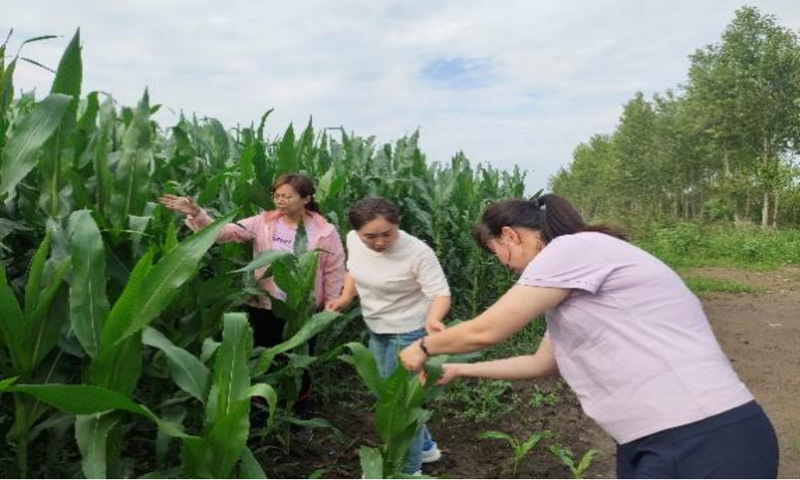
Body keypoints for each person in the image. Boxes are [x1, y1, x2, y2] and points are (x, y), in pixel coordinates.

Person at [399, 194, 779, 479]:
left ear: (510, 236)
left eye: (496, 251)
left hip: (700, 437)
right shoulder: (575, 274)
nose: (503, 265)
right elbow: (541, 362)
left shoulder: (571, 249)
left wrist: (424, 346)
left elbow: (487, 330)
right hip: (660, 439)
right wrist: (459, 370)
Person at [159, 173, 346, 408]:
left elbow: (334, 269)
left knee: (300, 360)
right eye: (276, 195)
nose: (279, 200)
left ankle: (296, 408)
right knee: (262, 358)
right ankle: (260, 408)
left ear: (306, 199)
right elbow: (223, 233)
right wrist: (196, 213)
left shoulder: (325, 232)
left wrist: (330, 304)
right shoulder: (263, 222)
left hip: (303, 310)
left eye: (287, 196)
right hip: (265, 305)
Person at [325, 197, 451, 476]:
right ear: (357, 232)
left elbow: (440, 293)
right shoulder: (354, 240)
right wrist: (346, 297)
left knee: (401, 405)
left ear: (398, 223)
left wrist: (433, 319)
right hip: (377, 328)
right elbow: (354, 269)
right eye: (370, 237)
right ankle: (426, 447)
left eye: (387, 234)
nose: (380, 242)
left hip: (410, 331)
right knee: (389, 395)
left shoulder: (418, 252)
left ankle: (409, 470)